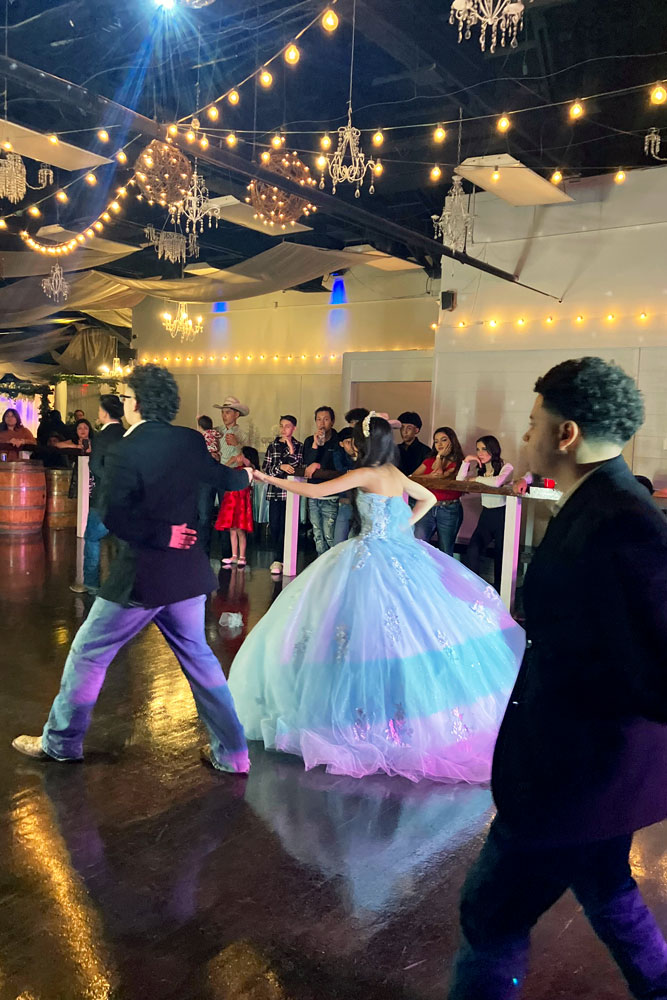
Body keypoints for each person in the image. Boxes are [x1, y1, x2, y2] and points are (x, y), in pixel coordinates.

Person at [448, 357, 667, 1000]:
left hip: (578, 772)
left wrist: (588, 703)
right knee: (606, 885)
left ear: (565, 433)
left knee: (490, 913)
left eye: (533, 421)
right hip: (591, 772)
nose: (525, 435)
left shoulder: (623, 520)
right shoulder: (600, 502)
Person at [229, 412, 524, 783]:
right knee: (406, 631)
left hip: (370, 556)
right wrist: (401, 526)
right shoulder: (394, 474)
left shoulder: (366, 474)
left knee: (356, 631)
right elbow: (429, 497)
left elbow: (315, 490)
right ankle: (400, 714)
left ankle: (360, 717)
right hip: (400, 553)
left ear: (366, 442)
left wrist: (263, 476)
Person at [11, 364, 253, 775]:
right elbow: (225, 480)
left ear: (137, 402)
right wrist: (246, 474)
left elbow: (114, 515)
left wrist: (163, 535)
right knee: (200, 660)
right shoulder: (189, 440)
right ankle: (233, 754)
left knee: (89, 652)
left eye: (124, 397)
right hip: (187, 576)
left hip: (144, 576)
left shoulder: (124, 447)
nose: (122, 403)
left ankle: (62, 742)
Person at [70, 395, 125, 596]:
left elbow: (94, 465)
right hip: (126, 496)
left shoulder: (101, 438)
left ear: (104, 412)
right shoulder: (128, 434)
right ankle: (122, 585)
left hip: (104, 496)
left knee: (92, 538)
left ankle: (91, 583)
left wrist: (110, 480)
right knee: (123, 541)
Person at [457, 437, 513, 592]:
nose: (480, 453)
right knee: (473, 550)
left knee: (501, 556)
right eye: (477, 449)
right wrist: (467, 461)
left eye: (484, 449)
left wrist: (476, 479)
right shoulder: (480, 469)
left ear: (493, 449)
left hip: (502, 516)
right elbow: (460, 481)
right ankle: (475, 591)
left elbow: (497, 482)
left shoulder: (506, 466)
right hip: (486, 515)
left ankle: (502, 593)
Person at [412, 426, 465, 557]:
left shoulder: (459, 462)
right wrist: (430, 475)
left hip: (449, 509)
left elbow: (440, 476)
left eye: (444, 440)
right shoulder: (429, 461)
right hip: (427, 508)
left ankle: (444, 577)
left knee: (445, 550)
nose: (439, 444)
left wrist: (440, 457)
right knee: (418, 545)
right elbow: (412, 478)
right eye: (436, 441)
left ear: (452, 442)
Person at [262, 415, 304, 576]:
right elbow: (267, 469)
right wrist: (282, 466)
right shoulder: (272, 446)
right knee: (275, 525)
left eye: (287, 426)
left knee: (289, 526)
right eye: (281, 426)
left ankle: (284, 558)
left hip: (291, 493)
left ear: (294, 428)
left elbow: (297, 468)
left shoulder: (299, 446)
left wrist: (291, 450)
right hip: (275, 491)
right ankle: (277, 557)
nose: (284, 429)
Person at [301, 405, 340, 555]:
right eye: (318, 419)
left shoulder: (338, 440)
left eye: (326, 419)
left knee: (330, 534)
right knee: (317, 534)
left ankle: (331, 566)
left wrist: (319, 464)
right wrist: (315, 444)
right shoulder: (310, 440)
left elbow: (336, 465)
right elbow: (308, 463)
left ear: (332, 421)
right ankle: (320, 565)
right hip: (313, 492)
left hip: (331, 493)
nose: (322, 423)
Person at [196, 415, 222, 555]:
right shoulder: (215, 433)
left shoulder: (200, 437)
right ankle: (202, 550)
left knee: (205, 515)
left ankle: (204, 550)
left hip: (212, 476)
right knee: (204, 515)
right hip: (205, 476)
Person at [333, 427, 357, 544]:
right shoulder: (339, 455)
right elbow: (341, 470)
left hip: (359, 505)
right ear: (341, 444)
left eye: (354, 442)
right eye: (348, 442)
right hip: (345, 502)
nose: (352, 446)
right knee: (338, 541)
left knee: (354, 541)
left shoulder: (363, 456)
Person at [396, 411, 431, 476]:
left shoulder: (425, 451)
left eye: (409, 428)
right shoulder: (395, 449)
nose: (404, 431)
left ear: (416, 430)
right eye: (402, 428)